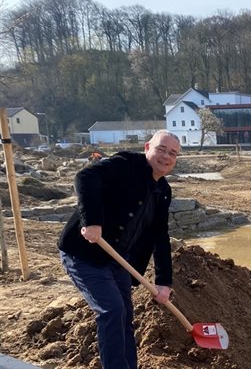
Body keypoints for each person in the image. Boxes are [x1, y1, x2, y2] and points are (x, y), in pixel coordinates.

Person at [58, 130, 181, 369]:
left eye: (173, 154)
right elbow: (85, 177)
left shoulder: (163, 191)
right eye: (161, 149)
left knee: (125, 314)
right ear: (147, 147)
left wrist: (164, 281)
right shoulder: (126, 164)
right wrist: (91, 220)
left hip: (117, 259)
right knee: (112, 310)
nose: (166, 156)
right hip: (84, 252)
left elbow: (160, 236)